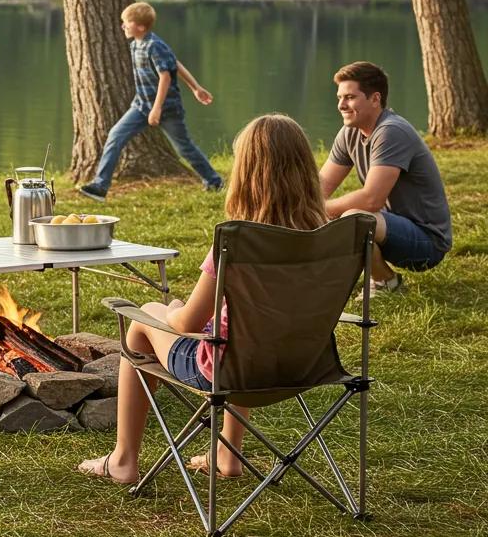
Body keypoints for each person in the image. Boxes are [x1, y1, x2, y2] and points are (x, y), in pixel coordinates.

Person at [78, 113, 328, 483]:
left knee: (144, 319)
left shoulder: (237, 241)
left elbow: (188, 324)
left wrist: (172, 312)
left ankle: (123, 459)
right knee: (246, 332)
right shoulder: (327, 238)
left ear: (246, 173)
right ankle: (228, 453)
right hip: (304, 364)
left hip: (226, 369)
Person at [319, 61, 452, 294]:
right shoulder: (349, 132)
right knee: (334, 216)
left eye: (350, 97)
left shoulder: (391, 131)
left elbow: (371, 200)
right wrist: (296, 207)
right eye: (340, 97)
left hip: (427, 241)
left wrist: (319, 210)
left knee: (353, 218)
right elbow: (320, 187)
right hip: (390, 228)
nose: (341, 105)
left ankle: (386, 282)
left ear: (375, 99)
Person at [77, 2, 222, 201]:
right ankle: (100, 186)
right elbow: (175, 62)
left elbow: (166, 76)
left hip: (167, 109)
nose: (123, 26)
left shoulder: (154, 45)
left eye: (126, 22)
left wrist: (160, 107)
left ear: (141, 27)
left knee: (184, 148)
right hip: (141, 105)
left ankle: (214, 180)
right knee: (115, 136)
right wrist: (195, 88)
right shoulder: (136, 44)